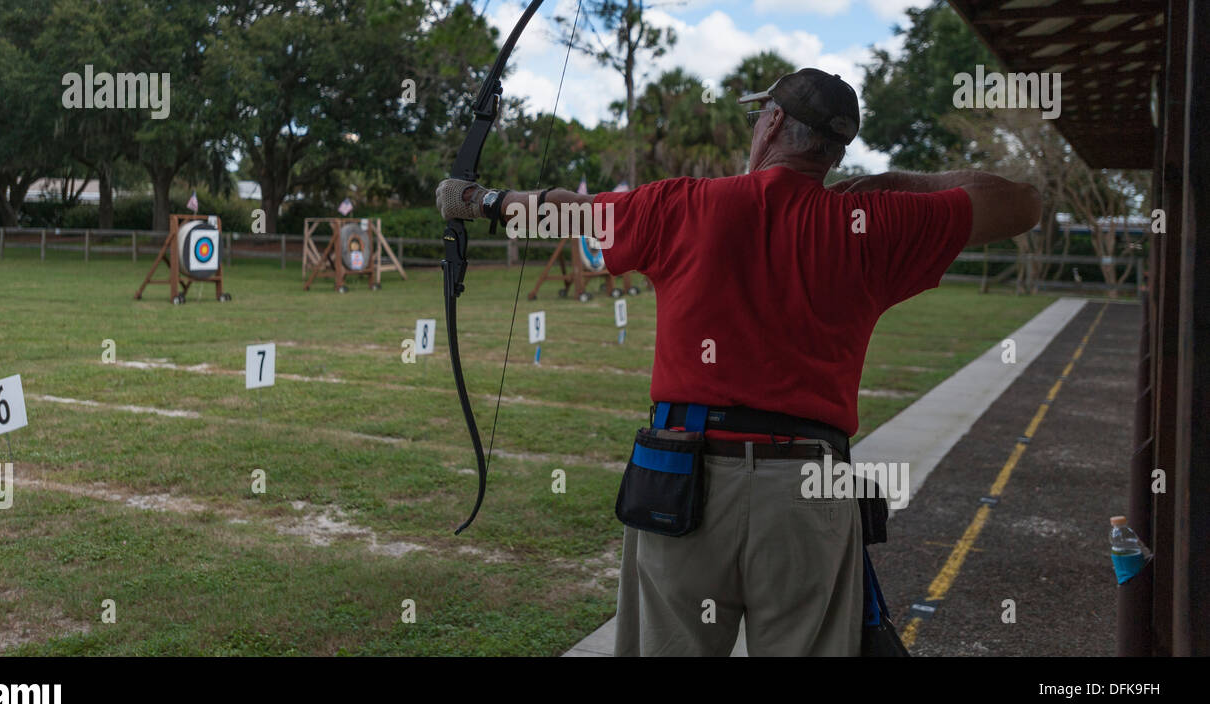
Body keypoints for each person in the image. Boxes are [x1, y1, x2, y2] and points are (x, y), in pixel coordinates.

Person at [437, 67, 1041, 656]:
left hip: (683, 482)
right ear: (834, 151)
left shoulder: (683, 205)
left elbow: (568, 211)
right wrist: (895, 183)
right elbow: (1022, 203)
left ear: (773, 123)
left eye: (759, 116)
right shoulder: (876, 223)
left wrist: (481, 199)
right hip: (809, 489)